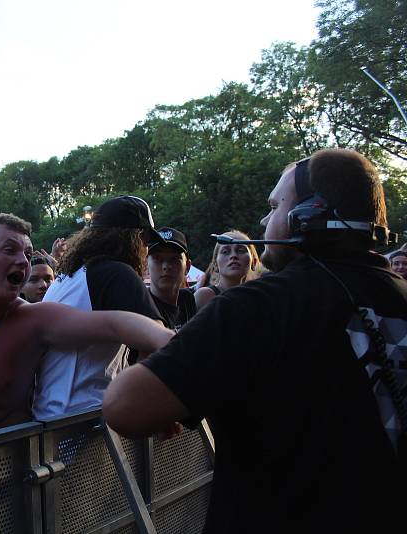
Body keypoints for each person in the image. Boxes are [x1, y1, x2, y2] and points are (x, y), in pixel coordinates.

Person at [104, 149, 407, 533]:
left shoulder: (255, 307)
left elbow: (125, 406)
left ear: (308, 216)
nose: (265, 219)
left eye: (275, 205)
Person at [0, 212, 173, 430]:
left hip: (5, 465)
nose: (22, 261)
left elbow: (116, 324)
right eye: (10, 250)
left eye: (27, 254)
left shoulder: (36, 320)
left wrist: (173, 344)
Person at [32, 197, 165, 420]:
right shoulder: (116, 273)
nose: (146, 250)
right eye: (147, 241)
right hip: (87, 418)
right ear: (137, 237)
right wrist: (148, 404)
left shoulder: (66, 276)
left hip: (48, 416)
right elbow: (158, 343)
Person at [193, 229, 260, 310]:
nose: (233, 255)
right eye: (225, 252)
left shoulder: (259, 298)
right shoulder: (205, 296)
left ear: (254, 262)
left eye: (241, 250)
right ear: (215, 265)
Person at [147, 227, 196, 331]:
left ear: (187, 266)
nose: (166, 266)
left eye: (174, 259)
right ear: (145, 265)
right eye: (158, 259)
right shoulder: (141, 306)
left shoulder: (187, 299)